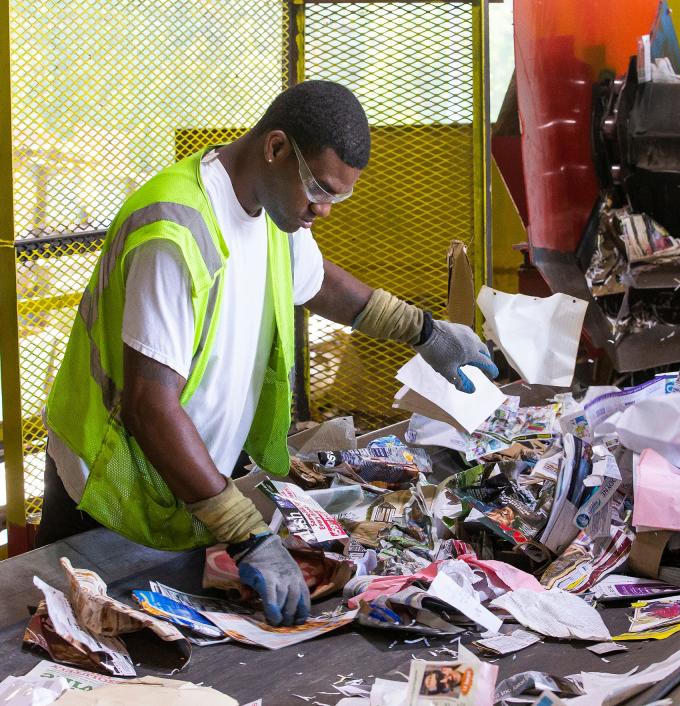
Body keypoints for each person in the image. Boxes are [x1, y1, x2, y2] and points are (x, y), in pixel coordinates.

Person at [38, 80, 498, 626]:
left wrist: (424, 332)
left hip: (185, 487)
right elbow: (149, 405)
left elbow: (317, 281)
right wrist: (245, 532)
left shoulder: (278, 208)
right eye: (319, 190)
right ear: (275, 148)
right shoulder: (175, 231)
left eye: (337, 197)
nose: (324, 211)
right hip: (111, 488)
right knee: (76, 645)